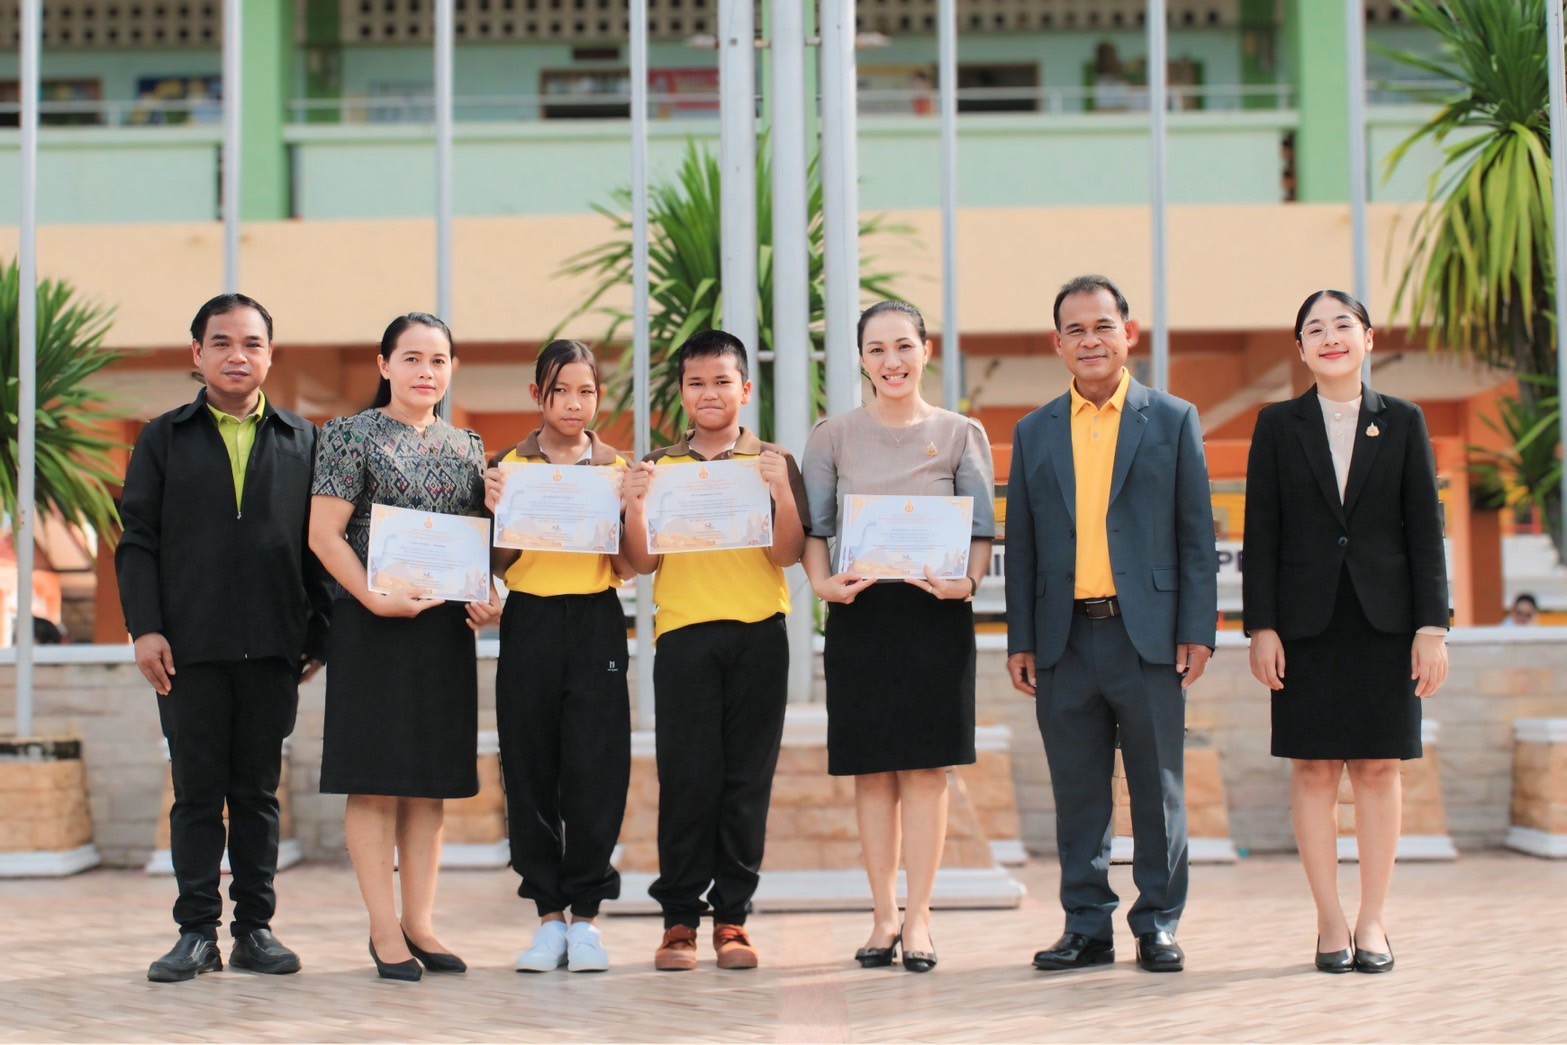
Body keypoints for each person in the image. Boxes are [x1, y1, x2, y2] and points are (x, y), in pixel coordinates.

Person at [1005, 274, 1217, 975]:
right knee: (1078, 793)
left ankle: (1157, 924)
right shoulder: (1034, 431)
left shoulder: (1173, 418)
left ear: (1129, 334)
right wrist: (1021, 639)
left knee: (1157, 790)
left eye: (1103, 326)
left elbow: (1195, 534)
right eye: (1075, 329)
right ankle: (1086, 926)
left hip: (1146, 636)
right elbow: (1023, 544)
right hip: (1063, 638)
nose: (1089, 340)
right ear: (1057, 343)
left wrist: (1197, 628)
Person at [118, 293, 332, 983]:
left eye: (251, 343)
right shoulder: (163, 438)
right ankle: (195, 933)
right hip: (189, 648)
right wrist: (146, 627)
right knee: (196, 793)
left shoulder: (304, 440)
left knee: (258, 794)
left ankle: (255, 930)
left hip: (272, 647)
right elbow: (138, 541)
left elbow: (322, 544)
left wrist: (319, 634)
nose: (237, 355)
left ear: (270, 354)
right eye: (222, 342)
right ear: (197, 353)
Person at [1243, 290, 1450, 974]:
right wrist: (1261, 627)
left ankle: (1372, 919)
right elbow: (1261, 534)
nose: (1330, 337)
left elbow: (1425, 532)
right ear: (1300, 349)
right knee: (1312, 769)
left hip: (1386, 626)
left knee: (1378, 768)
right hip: (1305, 628)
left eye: (1342, 325)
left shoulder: (1404, 421)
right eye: (1315, 329)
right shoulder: (1277, 425)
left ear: (1367, 338)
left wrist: (1432, 627)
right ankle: (1329, 920)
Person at [801, 300, 995, 973]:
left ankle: (919, 919)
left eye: (904, 346)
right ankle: (883, 914)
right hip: (861, 615)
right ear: (861, 358)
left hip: (935, 616)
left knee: (926, 769)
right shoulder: (832, 435)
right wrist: (822, 585)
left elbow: (980, 530)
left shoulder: (960, 432)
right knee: (873, 769)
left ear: (925, 350)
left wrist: (967, 584)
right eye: (877, 349)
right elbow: (816, 529)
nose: (892, 361)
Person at [307, 313, 501, 981]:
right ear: (384, 364)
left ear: (451, 369)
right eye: (412, 358)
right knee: (376, 780)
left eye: (438, 360)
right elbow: (324, 534)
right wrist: (373, 597)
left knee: (428, 783)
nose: (426, 371)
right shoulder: (348, 435)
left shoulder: (468, 446)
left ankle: (420, 922)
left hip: (442, 631)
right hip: (372, 626)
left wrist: (488, 592)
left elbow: (475, 544)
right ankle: (383, 928)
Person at [619, 330, 809, 971]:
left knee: (747, 782)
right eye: (696, 382)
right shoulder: (658, 466)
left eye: (722, 381)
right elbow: (641, 563)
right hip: (682, 638)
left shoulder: (773, 460)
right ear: (681, 392)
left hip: (759, 635)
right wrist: (636, 505)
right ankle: (678, 921)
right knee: (686, 780)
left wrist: (782, 492)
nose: (710, 393)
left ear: (745, 390)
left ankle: (732, 920)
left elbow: (787, 554)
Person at [484, 339, 635, 973]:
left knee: (598, 767)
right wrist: (496, 511)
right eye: (561, 391)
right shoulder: (507, 466)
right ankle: (548, 918)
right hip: (530, 621)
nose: (574, 404)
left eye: (586, 391)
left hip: (597, 620)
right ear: (537, 395)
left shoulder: (617, 468)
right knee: (529, 766)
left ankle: (588, 919)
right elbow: (495, 564)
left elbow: (630, 565)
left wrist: (632, 507)